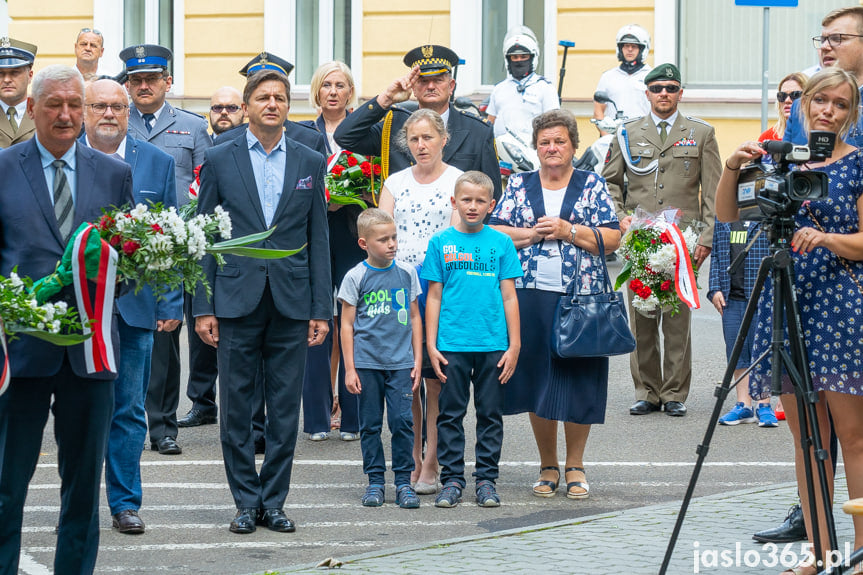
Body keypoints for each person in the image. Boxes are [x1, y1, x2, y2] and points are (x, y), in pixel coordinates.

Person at [716, 67, 863, 575]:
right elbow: (729, 216)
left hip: (841, 305)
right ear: (804, 104)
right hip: (787, 299)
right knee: (807, 440)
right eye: (821, 100)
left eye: (841, 105)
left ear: (851, 114)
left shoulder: (859, 164)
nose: (828, 111)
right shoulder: (779, 159)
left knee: (852, 436)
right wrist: (733, 167)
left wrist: (825, 239)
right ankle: (821, 552)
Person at [0, 64, 134, 575]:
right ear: (31, 108)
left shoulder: (114, 174)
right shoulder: (4, 167)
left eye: (74, 104)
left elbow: (128, 261)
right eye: (53, 104)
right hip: (21, 353)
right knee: (6, 487)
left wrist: (106, 286)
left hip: (89, 353)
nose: (66, 114)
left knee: (82, 490)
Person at [193, 68, 331, 535]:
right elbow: (204, 236)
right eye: (263, 97)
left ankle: (274, 501)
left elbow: (318, 237)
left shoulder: (311, 161)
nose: (272, 104)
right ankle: (244, 502)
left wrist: (320, 309)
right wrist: (203, 305)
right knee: (234, 407)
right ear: (248, 106)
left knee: (285, 408)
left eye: (279, 98)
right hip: (235, 298)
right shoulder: (218, 157)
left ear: (288, 108)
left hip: (292, 300)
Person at [490, 109, 621, 500]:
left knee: (580, 379)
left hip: (581, 298)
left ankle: (575, 464)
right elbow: (496, 229)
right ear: (536, 147)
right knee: (537, 382)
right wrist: (532, 234)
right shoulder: (519, 183)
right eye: (544, 141)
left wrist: (570, 230)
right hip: (529, 295)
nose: (551, 148)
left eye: (559, 141)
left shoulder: (591, 184)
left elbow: (612, 239)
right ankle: (547, 464)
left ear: (573, 146)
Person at [80, 78, 183, 534]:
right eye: (98, 106)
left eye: (116, 107)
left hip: (136, 309)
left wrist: (171, 301)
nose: (108, 114)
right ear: (84, 111)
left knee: (129, 410)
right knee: (78, 407)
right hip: (77, 308)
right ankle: (79, 498)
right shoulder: (66, 157)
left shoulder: (157, 162)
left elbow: (172, 232)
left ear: (128, 113)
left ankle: (124, 503)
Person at [603, 62, 720, 417]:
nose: (664, 94)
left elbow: (712, 190)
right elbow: (609, 182)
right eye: (657, 89)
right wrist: (621, 217)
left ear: (680, 92)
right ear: (648, 93)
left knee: (676, 318)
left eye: (671, 88)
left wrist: (708, 237)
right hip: (640, 242)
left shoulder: (701, 133)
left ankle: (673, 393)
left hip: (682, 242)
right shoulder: (627, 133)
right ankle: (647, 390)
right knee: (641, 316)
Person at [120, 43, 213, 455]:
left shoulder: (191, 127)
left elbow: (206, 183)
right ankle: (128, 423)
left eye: (151, 79)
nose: (143, 86)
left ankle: (163, 427)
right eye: (136, 80)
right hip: (124, 242)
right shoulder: (115, 122)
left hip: (172, 243)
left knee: (166, 338)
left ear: (167, 82)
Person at [422, 171, 522, 508]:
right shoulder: (440, 243)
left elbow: (509, 296)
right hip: (451, 344)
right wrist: (431, 345)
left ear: (491, 205)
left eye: (481, 201)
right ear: (454, 202)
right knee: (450, 414)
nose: (473, 206)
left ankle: (487, 481)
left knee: (490, 414)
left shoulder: (501, 243)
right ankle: (452, 480)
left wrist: (515, 344)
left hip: (492, 344)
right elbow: (433, 297)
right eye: (466, 199)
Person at [379, 108, 463, 494]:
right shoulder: (395, 182)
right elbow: (381, 233)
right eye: (414, 139)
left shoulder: (457, 179)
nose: (421, 145)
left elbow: (467, 234)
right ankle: (411, 454)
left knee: (436, 379)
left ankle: (433, 461)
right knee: (407, 380)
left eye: (428, 137)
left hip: (443, 290)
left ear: (443, 139)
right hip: (400, 290)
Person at [334, 44, 501, 201]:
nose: (430, 86)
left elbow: (492, 195)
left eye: (438, 80)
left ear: (451, 86)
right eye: (423, 81)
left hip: (458, 228)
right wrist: (386, 99)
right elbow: (345, 136)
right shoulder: (395, 124)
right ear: (413, 87)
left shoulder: (478, 131)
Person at [338, 208, 423, 509]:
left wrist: (417, 359)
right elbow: (346, 324)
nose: (392, 244)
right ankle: (375, 481)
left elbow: (414, 317)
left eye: (394, 238)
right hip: (367, 364)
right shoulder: (355, 277)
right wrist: (349, 369)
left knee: (402, 422)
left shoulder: (407, 273)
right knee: (371, 424)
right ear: (364, 244)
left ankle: (403, 482)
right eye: (383, 239)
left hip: (400, 364)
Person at [300, 60, 362, 442]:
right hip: (314, 232)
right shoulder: (304, 133)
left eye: (340, 85)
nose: (333, 92)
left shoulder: (365, 132)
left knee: (353, 321)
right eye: (327, 85)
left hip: (354, 232)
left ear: (350, 92)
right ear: (317, 93)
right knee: (317, 319)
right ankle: (318, 418)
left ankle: (353, 416)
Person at [707, 220, 777, 427]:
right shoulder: (724, 217)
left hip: (763, 295)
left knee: (762, 350)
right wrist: (714, 289)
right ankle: (743, 404)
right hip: (731, 297)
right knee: (736, 349)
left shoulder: (766, 215)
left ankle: (763, 405)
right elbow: (717, 255)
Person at [785, 6, 863, 147]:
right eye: (823, 40)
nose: (824, 47)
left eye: (836, 38)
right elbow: (784, 165)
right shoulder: (801, 105)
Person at [486, 26, 559, 138]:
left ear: (532, 58)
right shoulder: (499, 89)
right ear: (508, 60)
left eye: (523, 56)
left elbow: (554, 124)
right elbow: (490, 122)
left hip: (533, 151)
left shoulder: (545, 88)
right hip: (501, 151)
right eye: (514, 57)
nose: (519, 60)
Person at [593, 24, 652, 132]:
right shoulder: (608, 76)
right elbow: (598, 111)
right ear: (620, 48)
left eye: (634, 46)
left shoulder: (651, 76)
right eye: (626, 46)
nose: (629, 50)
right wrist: (607, 137)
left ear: (642, 49)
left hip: (643, 139)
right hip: (613, 137)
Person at [0, 37, 37, 148]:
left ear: (30, 76)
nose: (6, 80)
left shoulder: (44, 114)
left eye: (14, 73)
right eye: (0, 73)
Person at [760, 73, 807, 142]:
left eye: (795, 95)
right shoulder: (767, 138)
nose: (787, 100)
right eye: (782, 95)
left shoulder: (817, 136)